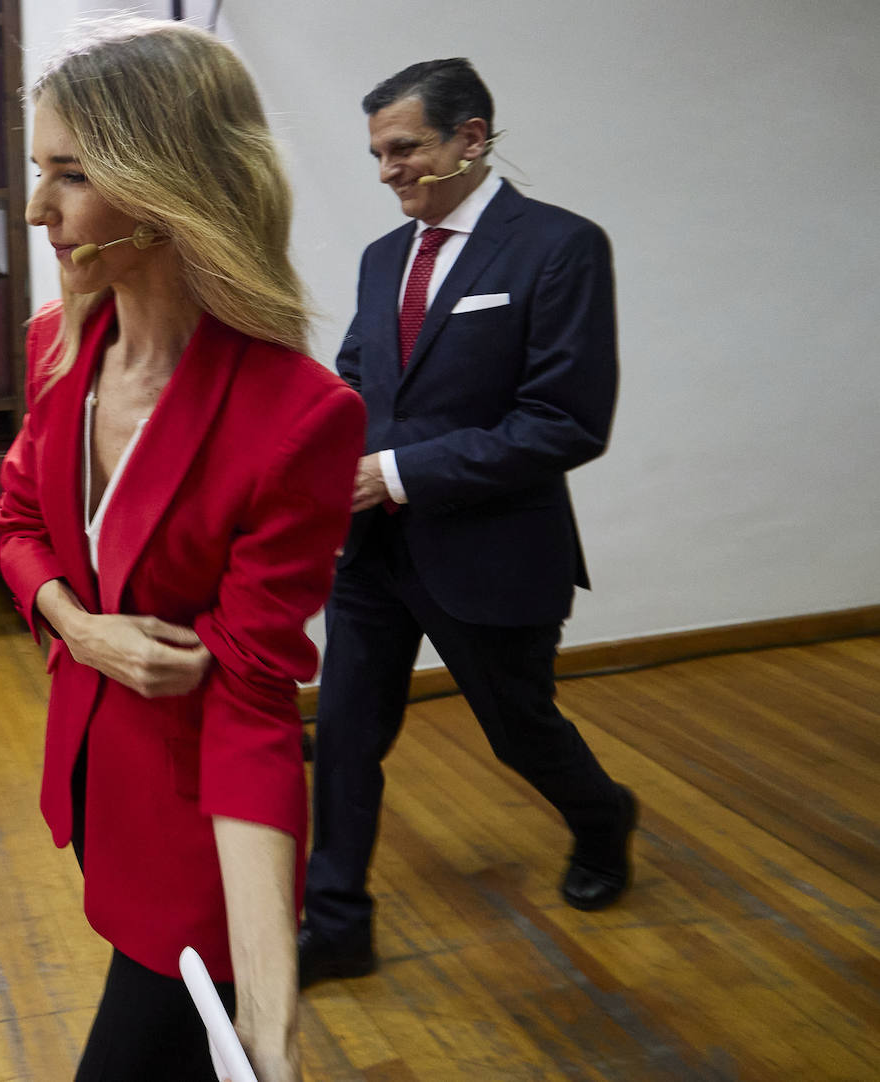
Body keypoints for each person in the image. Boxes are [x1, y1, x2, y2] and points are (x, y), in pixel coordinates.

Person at [0, 19, 364, 1082]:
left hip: (203, 833)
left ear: (169, 180)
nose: (36, 210)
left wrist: (273, 1004)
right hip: (99, 793)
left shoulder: (297, 415)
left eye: (70, 175)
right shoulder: (56, 346)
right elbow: (19, 526)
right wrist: (78, 625)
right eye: (39, 172)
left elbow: (254, 702)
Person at [298, 58, 636, 988]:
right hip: (372, 552)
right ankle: (336, 926)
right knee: (349, 731)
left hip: (490, 549)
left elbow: (565, 422)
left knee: (518, 728)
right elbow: (359, 379)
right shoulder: (381, 259)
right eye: (377, 154)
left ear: (471, 138)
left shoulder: (559, 248)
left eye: (404, 149)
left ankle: (604, 818)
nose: (387, 171)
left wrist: (397, 473)